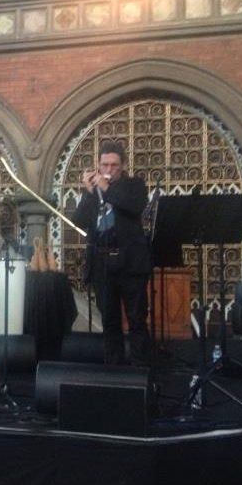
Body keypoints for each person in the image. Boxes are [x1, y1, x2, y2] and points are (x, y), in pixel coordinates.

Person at [73, 141, 153, 365]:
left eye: (113, 165)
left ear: (123, 165)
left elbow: (135, 206)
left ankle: (140, 370)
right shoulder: (94, 191)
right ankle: (113, 371)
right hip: (103, 262)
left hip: (130, 264)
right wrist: (88, 194)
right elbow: (79, 220)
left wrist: (107, 189)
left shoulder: (134, 185)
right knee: (109, 321)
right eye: (104, 165)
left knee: (137, 319)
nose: (108, 170)